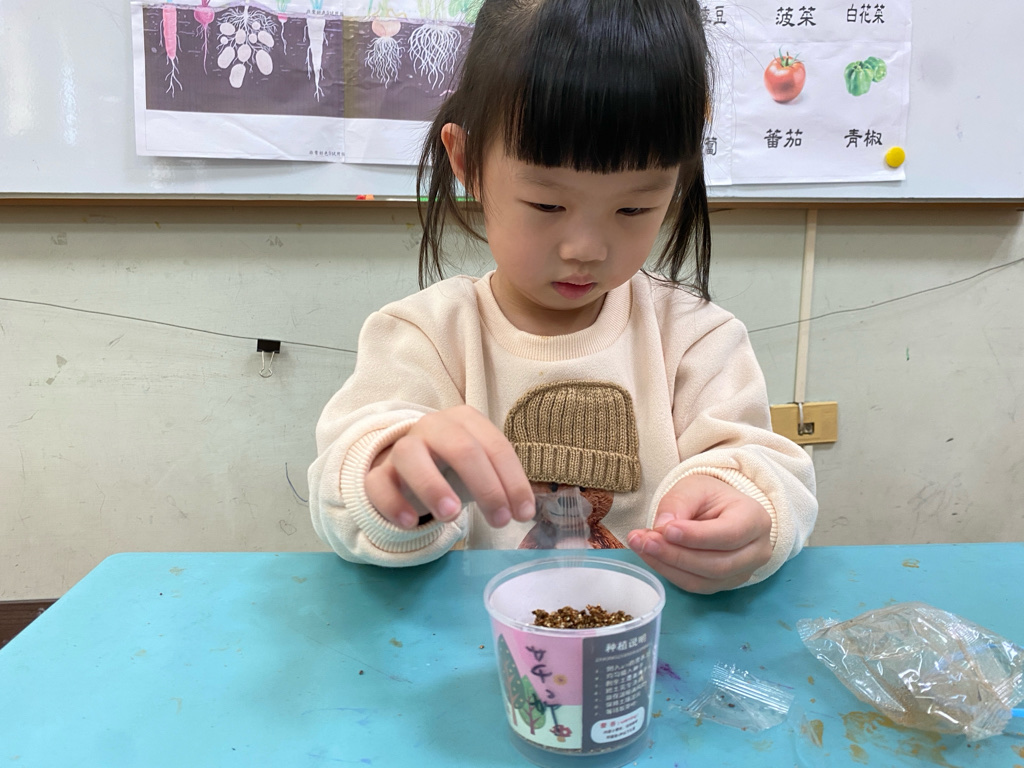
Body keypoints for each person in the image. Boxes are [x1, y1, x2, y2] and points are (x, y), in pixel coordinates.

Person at [308, 0, 817, 593]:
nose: (586, 249)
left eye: (635, 208)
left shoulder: (697, 337)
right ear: (466, 160)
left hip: (653, 637)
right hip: (479, 636)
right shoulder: (425, 336)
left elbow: (766, 466)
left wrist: (745, 504)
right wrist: (392, 485)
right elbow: (345, 499)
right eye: (548, 204)